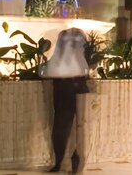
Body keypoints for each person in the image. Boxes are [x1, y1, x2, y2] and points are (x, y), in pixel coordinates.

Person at [42, 28, 90, 174]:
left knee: (62, 130)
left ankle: (62, 163)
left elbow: (50, 71)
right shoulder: (78, 58)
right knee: (73, 130)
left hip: (64, 95)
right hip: (72, 95)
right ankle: (71, 163)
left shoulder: (60, 58)